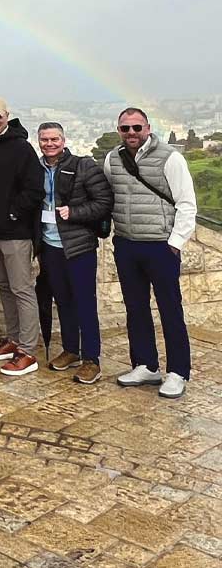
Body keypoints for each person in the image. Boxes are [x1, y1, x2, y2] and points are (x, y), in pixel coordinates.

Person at [105, 108, 197, 398]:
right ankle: (145, 364)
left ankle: (178, 371)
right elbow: (108, 195)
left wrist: (176, 242)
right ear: (119, 130)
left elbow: (186, 203)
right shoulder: (112, 159)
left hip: (160, 245)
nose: (131, 133)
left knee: (170, 309)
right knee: (135, 308)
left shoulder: (171, 157)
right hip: (127, 243)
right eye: (125, 128)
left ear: (147, 127)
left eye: (136, 127)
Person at [0, 96, 45, 376]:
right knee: (4, 286)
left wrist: (13, 213)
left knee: (22, 289)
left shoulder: (22, 149)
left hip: (15, 233)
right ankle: (14, 339)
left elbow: (34, 190)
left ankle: (27, 350)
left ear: (7, 116)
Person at [36, 123, 114, 384]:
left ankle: (92, 359)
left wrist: (75, 212)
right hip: (50, 246)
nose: (49, 144)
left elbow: (104, 202)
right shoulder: (37, 169)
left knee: (84, 302)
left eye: (54, 139)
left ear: (63, 139)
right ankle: (71, 350)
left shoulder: (84, 166)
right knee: (63, 300)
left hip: (78, 246)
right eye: (44, 139)